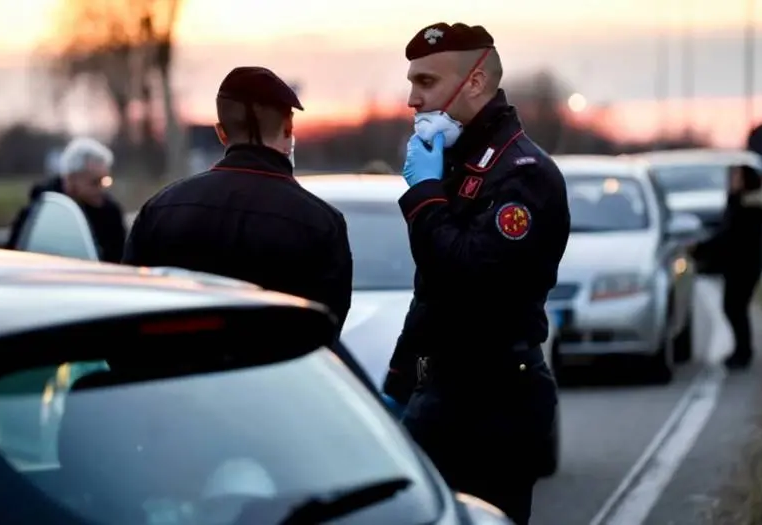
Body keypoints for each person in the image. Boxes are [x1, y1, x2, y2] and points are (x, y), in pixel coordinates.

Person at [381, 22, 570, 524]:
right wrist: (397, 383)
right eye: (412, 83)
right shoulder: (456, 163)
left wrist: (424, 197)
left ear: (476, 83)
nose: (412, 100)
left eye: (426, 83)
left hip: (496, 401)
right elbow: (432, 293)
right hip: (443, 392)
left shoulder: (524, 174)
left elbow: (468, 275)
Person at [122, 66, 353, 334]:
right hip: (275, 374)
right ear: (289, 128)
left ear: (221, 132)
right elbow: (325, 330)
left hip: (176, 372)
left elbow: (130, 308)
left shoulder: (161, 209)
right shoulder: (321, 223)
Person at [691, 164, 762, 370]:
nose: (732, 181)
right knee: (735, 307)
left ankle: (743, 353)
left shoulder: (750, 207)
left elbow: (730, 236)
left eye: (736, 177)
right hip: (737, 263)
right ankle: (741, 350)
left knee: (734, 307)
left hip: (745, 264)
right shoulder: (739, 202)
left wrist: (701, 249)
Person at [6, 137, 127, 263]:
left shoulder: (111, 214)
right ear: (70, 180)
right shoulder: (39, 212)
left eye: (105, 181)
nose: (101, 189)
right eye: (95, 182)